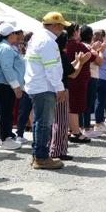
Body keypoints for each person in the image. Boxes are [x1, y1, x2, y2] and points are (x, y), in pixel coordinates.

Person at [23, 12, 68, 170]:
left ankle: (38, 155)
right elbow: (52, 68)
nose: (62, 30)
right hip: (44, 86)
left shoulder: (38, 37)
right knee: (44, 123)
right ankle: (41, 157)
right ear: (55, 25)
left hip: (38, 85)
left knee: (39, 122)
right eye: (61, 26)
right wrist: (59, 88)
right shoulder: (48, 41)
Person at [0, 24, 24, 149]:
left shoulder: (1, 46)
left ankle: (5, 136)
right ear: (10, 34)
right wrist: (16, 86)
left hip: (3, 82)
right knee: (6, 111)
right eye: (15, 33)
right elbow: (7, 68)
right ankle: (4, 138)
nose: (17, 35)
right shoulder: (5, 48)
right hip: (5, 83)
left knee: (5, 111)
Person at [64, 25, 94, 142]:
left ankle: (69, 130)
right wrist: (93, 49)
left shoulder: (65, 44)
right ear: (75, 32)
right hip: (78, 79)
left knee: (69, 106)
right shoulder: (77, 45)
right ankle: (76, 132)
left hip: (69, 79)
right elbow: (92, 57)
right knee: (74, 107)